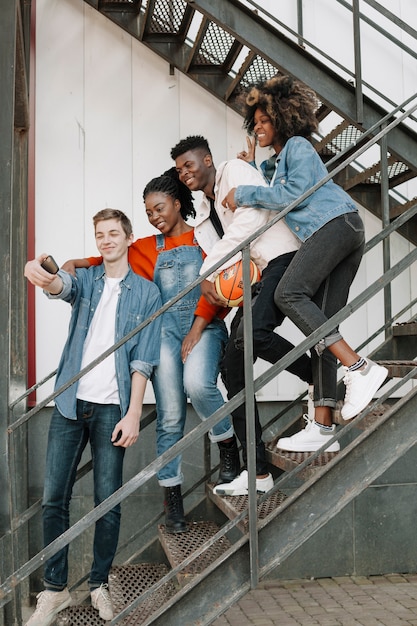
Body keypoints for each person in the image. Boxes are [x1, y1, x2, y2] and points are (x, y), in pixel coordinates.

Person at [63, 170, 239, 534]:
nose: (154, 216)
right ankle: (173, 499)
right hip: (163, 333)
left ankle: (227, 446)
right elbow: (109, 260)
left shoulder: (205, 237)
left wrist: (197, 327)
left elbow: (220, 287)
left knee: (198, 384)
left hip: (203, 325)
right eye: (148, 212)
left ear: (177, 203)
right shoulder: (145, 247)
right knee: (170, 415)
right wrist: (76, 264)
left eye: (160, 208)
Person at [222, 74, 388, 453]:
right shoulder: (283, 160)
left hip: (334, 226)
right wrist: (253, 166)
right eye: (256, 122)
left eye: (266, 121)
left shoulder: (298, 145)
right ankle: (324, 424)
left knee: (289, 293)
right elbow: (279, 182)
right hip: (339, 230)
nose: (260, 127)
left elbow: (291, 194)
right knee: (322, 327)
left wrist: (242, 191)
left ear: (283, 117)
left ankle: (361, 368)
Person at [24, 209, 162, 625]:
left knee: (108, 502)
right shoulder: (85, 281)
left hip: (111, 411)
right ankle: (55, 590)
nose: (106, 240)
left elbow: (143, 360)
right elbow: (60, 285)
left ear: (128, 237)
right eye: (100, 235)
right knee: (53, 500)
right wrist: (45, 276)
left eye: (114, 233)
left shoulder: (147, 294)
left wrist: (135, 413)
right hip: (69, 404)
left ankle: (99, 584)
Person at [171, 136, 313, 496]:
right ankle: (258, 473)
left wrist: (209, 267)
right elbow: (228, 261)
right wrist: (219, 283)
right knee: (233, 370)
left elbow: (252, 216)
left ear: (207, 159)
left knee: (253, 334)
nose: (184, 172)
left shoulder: (233, 170)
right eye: (179, 169)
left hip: (282, 258)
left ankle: (320, 379)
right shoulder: (204, 212)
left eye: (189, 164)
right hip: (257, 278)